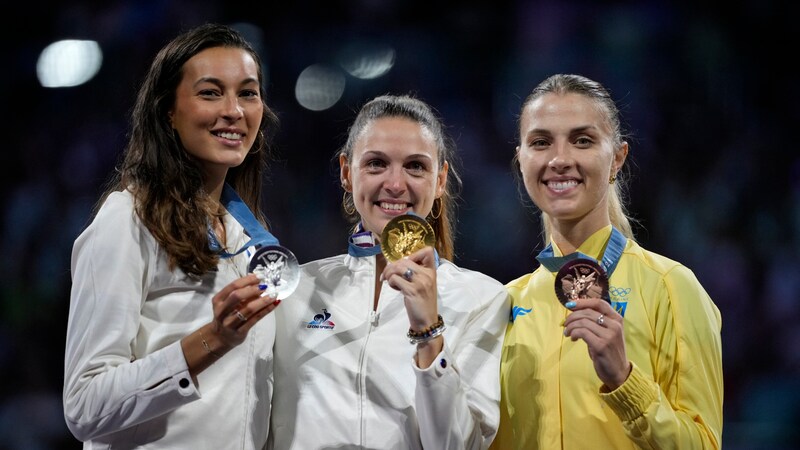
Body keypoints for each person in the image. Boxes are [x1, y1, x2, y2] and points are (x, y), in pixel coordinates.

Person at [63, 23, 283, 449]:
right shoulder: (127, 220)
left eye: (248, 92)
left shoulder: (250, 238)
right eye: (210, 92)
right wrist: (213, 340)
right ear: (168, 112)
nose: (234, 110)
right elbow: (84, 405)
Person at [491, 73, 724, 449]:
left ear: (617, 158)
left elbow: (703, 443)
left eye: (583, 141)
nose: (560, 159)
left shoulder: (671, 287)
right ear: (521, 160)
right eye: (540, 142)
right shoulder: (502, 303)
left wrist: (624, 379)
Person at [268, 95, 510, 449]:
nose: (395, 184)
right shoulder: (295, 291)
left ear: (440, 179)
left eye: (415, 166)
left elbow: (458, 445)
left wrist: (429, 333)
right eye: (376, 164)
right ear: (346, 173)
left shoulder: (483, 298)